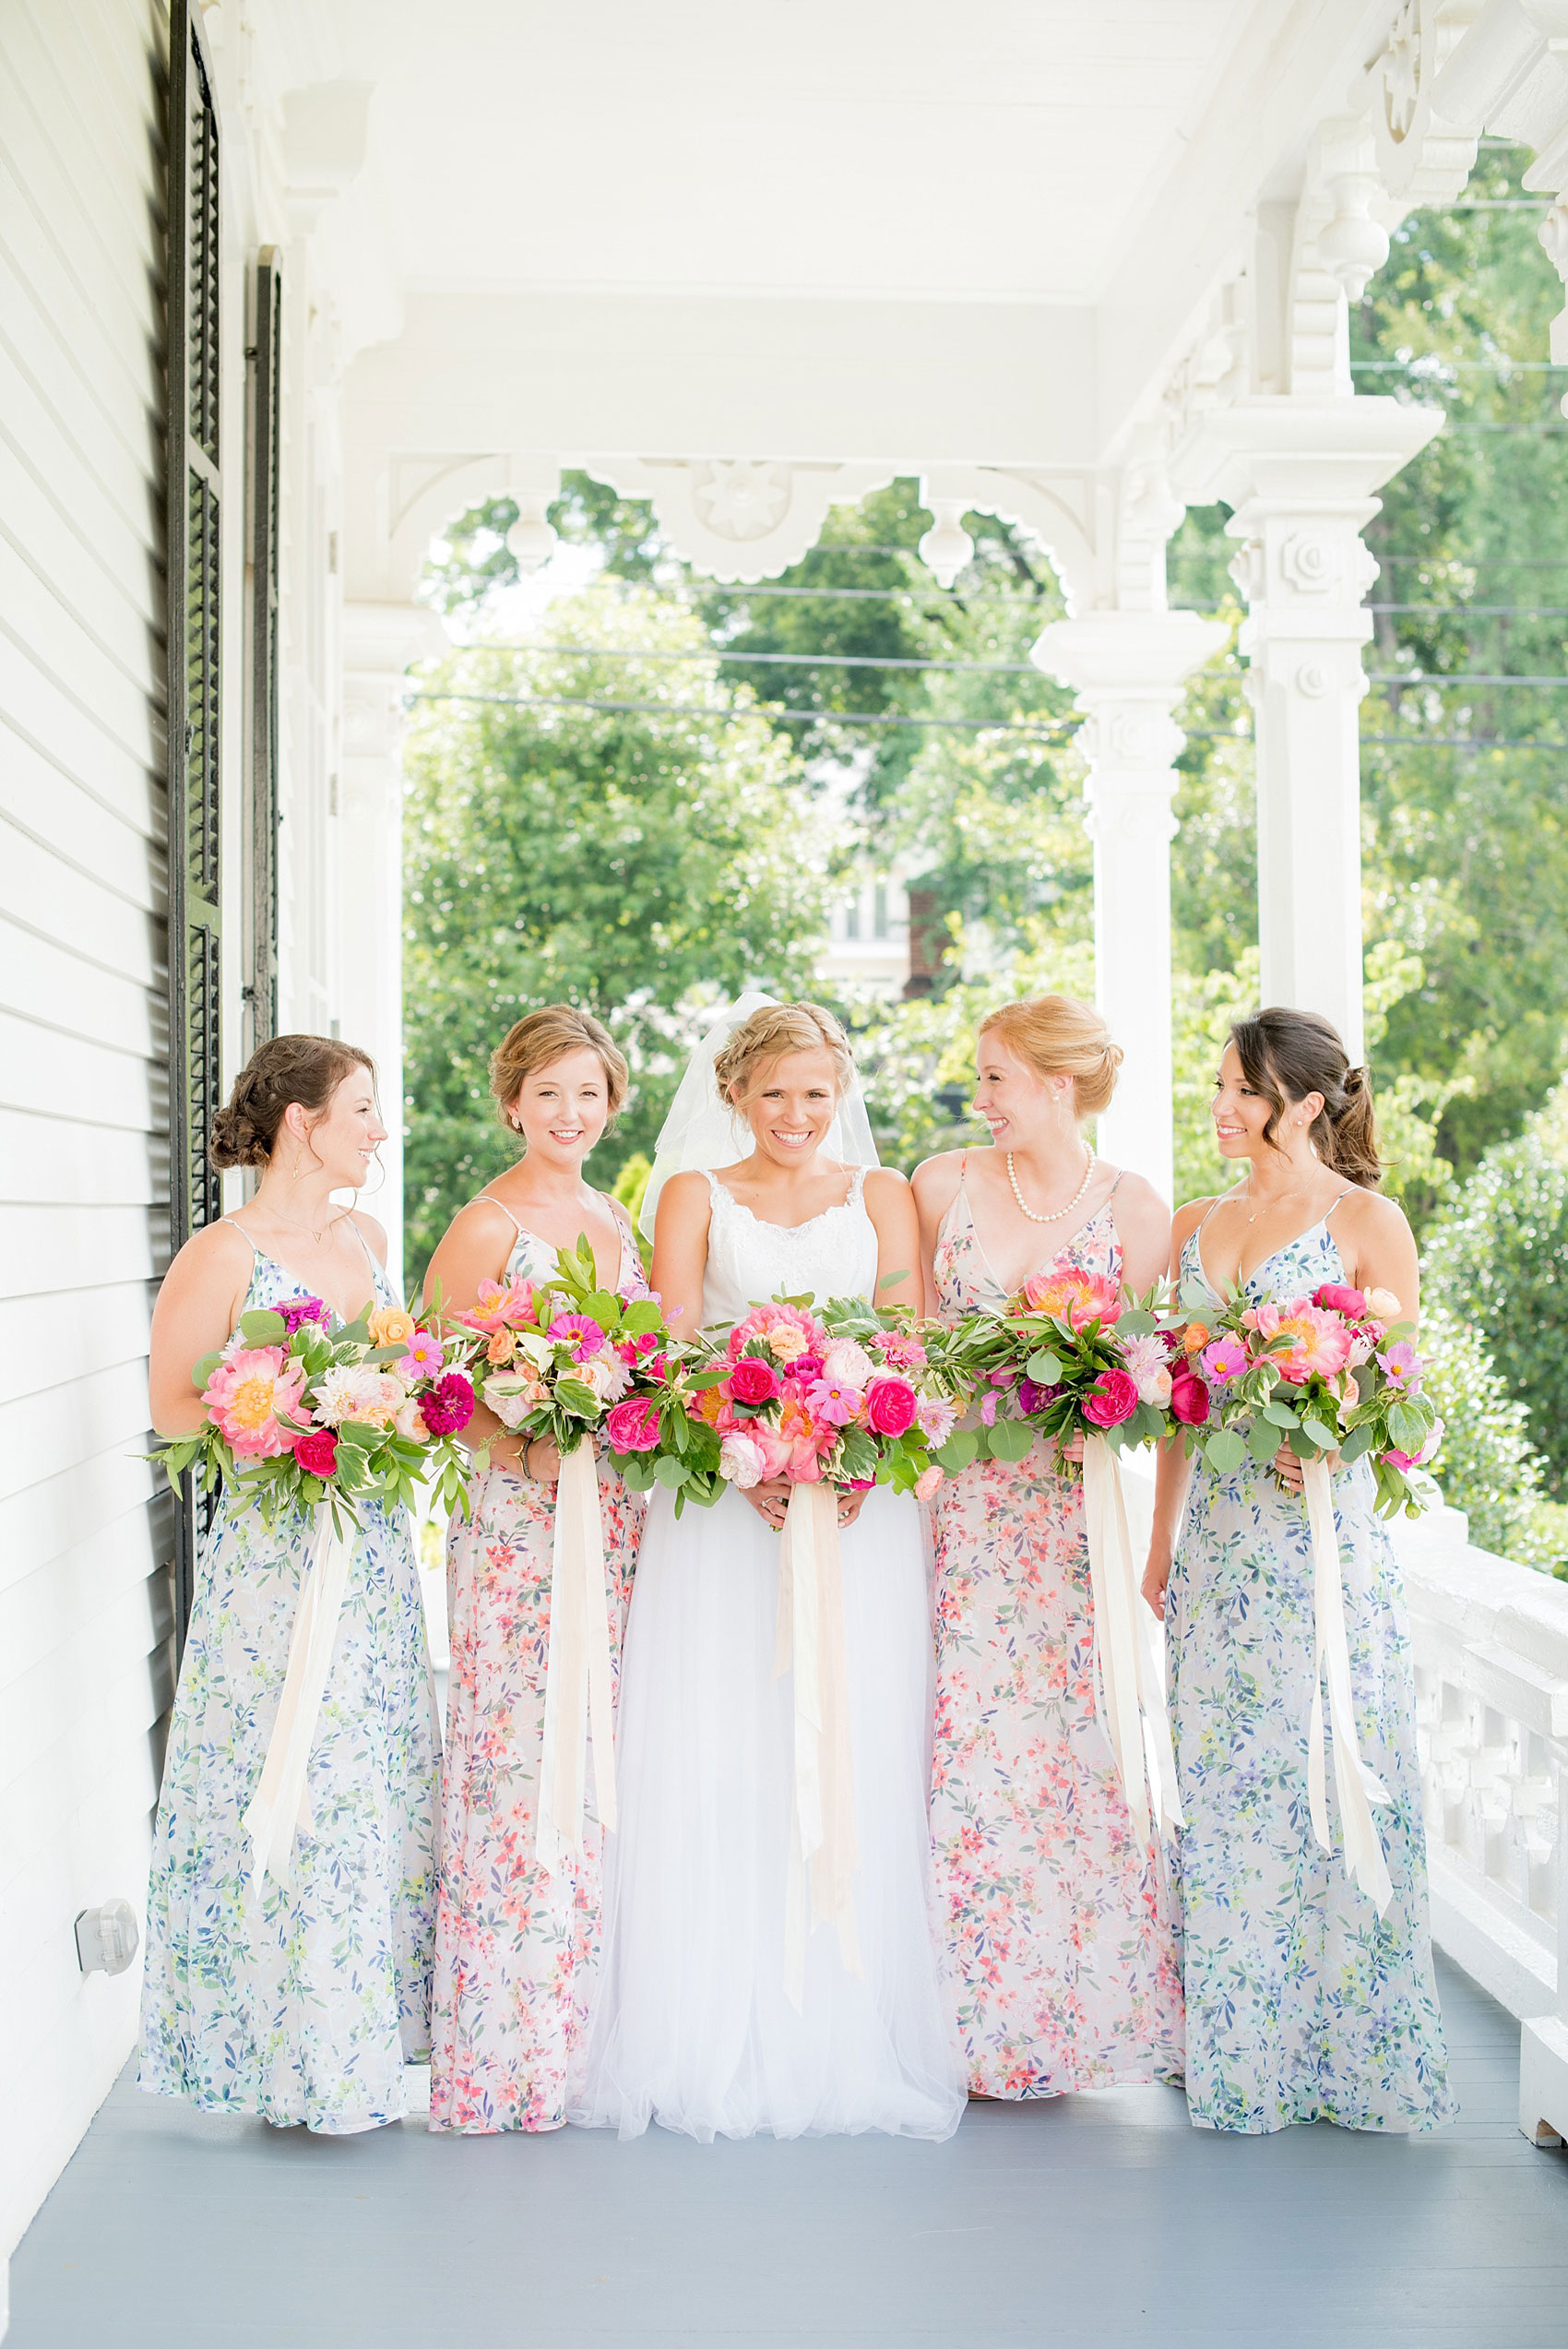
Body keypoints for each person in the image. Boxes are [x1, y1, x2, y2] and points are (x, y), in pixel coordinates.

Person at [571, 996, 966, 2141]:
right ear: (733, 1093)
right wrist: (742, 1458)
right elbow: (676, 1340)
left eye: (816, 1093)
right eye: (775, 1093)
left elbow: (909, 1343)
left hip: (857, 1510)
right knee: (720, 1737)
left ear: (839, 1096)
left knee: (850, 1733)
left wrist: (854, 1450)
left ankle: (839, 2019)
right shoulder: (691, 1194)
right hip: (723, 1504)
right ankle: (708, 2020)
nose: (797, 1115)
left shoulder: (879, 1194)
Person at [1143, 1007, 1455, 2134]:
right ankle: (1239, 2050)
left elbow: (1402, 1398)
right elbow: (1177, 1409)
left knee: (1329, 1775)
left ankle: (1348, 2050)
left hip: (1318, 1549)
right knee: (1225, 1788)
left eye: (1238, 1089)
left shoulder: (1367, 1220)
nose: (1218, 1107)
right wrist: (1156, 1545)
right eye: (1217, 1087)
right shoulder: (1191, 1221)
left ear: (1306, 1102)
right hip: (1217, 1547)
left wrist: (1329, 1433)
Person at [138, 1036, 439, 2132]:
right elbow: (176, 1408)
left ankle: (355, 2043)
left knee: (363, 1788)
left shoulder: (362, 1235)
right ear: (303, 1119)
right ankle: (291, 2056)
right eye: (362, 1108)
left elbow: (397, 1370)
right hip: (271, 1565)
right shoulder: (223, 1254)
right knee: (290, 1784)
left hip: (367, 1553)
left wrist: (389, 1404)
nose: (379, 1127)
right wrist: (286, 1419)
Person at [912, 996, 1184, 2098]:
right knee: (960, 1753)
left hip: (1066, 1518)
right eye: (978, 1079)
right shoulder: (942, 1184)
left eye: (995, 1079)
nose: (978, 1100)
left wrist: (1095, 1399)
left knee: (1067, 1756)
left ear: (1058, 1085)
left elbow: (1144, 1381)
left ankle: (1061, 2020)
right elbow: (915, 1354)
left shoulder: (1136, 1208)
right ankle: (956, 2024)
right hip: (955, 1511)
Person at [422, 1007, 648, 2134]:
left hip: (610, 1524)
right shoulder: (484, 1227)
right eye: (549, 1093)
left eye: (589, 1093)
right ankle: (496, 2057)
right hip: (516, 1529)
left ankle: (574, 2044)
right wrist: (526, 1449)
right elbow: (434, 1387)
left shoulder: (617, 1218)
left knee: (596, 1766)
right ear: (511, 1101)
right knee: (517, 1763)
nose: (570, 1114)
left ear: (613, 1103)